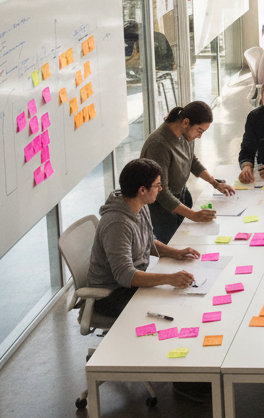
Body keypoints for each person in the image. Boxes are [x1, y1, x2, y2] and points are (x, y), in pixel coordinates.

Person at [87, 157, 200, 319]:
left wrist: (175, 252)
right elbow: (125, 275)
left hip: (131, 284)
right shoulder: (117, 224)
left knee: (176, 296)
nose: (160, 189)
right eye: (157, 185)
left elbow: (147, 240)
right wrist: (169, 278)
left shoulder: (140, 205)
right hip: (111, 295)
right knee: (171, 304)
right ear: (142, 190)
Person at [141, 101, 235, 243]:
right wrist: (192, 215)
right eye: (199, 131)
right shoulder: (158, 145)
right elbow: (161, 192)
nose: (200, 136)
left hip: (182, 198)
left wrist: (215, 183)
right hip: (162, 209)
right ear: (186, 122)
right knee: (172, 248)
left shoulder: (186, 135)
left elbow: (192, 161)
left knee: (189, 243)